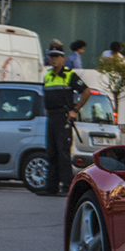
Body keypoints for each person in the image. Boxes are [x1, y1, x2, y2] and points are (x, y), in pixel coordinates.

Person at [41, 49, 91, 197]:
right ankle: (51, 187)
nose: (54, 59)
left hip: (63, 116)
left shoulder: (69, 75)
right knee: (51, 151)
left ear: (63, 59)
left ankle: (67, 186)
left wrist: (75, 109)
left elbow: (86, 91)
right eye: (51, 57)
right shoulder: (48, 75)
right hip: (51, 117)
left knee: (63, 152)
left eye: (57, 57)